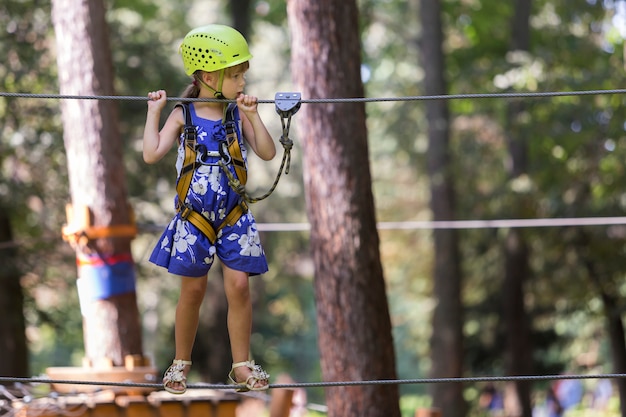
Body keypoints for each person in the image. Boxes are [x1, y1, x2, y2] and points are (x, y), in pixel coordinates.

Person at [142, 24, 276, 395]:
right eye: (235, 75)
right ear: (206, 76)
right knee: (193, 292)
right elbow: (152, 153)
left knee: (239, 287)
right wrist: (155, 112)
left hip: (234, 216)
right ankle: (180, 364)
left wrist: (254, 115)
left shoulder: (237, 112)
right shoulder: (183, 114)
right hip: (193, 218)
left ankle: (243, 365)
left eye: (242, 75)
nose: (242, 82)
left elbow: (267, 152)